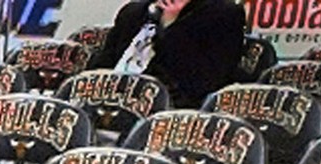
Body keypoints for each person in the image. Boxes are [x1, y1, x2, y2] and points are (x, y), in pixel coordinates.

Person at [90, 0, 246, 108]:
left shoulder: (224, 15)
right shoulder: (132, 13)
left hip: (172, 111)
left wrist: (167, 27)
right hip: (108, 104)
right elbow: (101, 67)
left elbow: (201, 82)